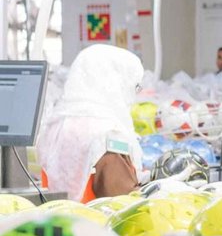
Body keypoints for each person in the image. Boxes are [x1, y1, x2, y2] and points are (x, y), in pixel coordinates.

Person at [36, 44, 145, 202]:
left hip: (56, 219)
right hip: (94, 223)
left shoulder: (55, 125)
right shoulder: (108, 134)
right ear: (114, 82)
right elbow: (124, 200)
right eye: (133, 86)